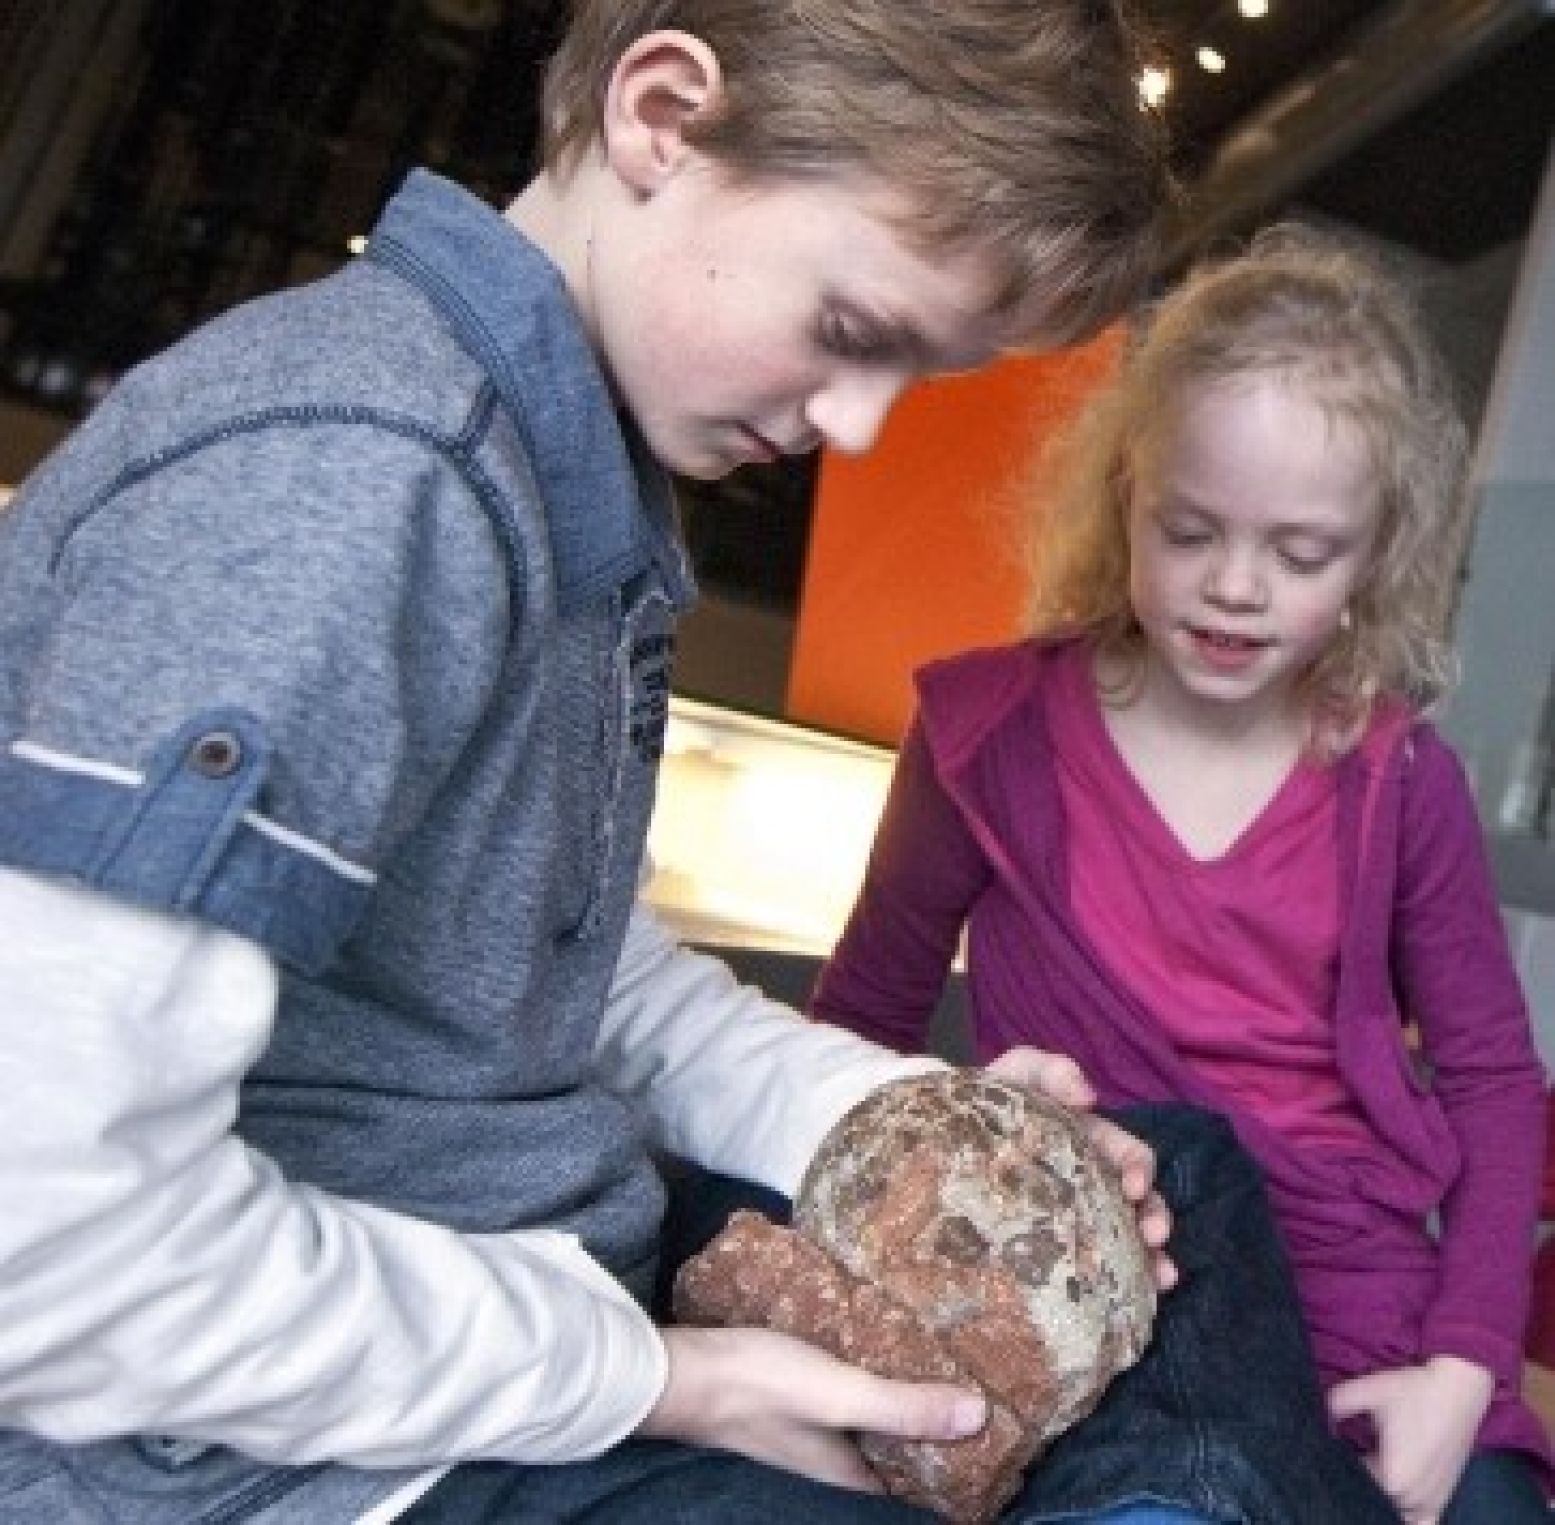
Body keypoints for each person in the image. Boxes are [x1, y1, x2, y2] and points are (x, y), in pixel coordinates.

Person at [0, 1, 1229, 1523]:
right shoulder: (364, 473)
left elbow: (566, 973)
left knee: (1190, 1182)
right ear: (663, 116)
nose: (854, 426)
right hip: (262, 1459)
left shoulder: (564, 486)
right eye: (854, 333)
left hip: (524, 1300)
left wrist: (894, 1114)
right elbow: (43, 1244)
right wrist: (661, 1379)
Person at [812, 226, 1554, 1525]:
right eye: (1192, 527)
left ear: (1376, 554)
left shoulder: (1396, 778)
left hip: (1358, 1310)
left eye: (1302, 551)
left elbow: (1495, 1078)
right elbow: (855, 1029)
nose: (1234, 586)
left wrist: (1463, 1362)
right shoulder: (986, 733)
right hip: (1079, 1289)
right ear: (1124, 495)